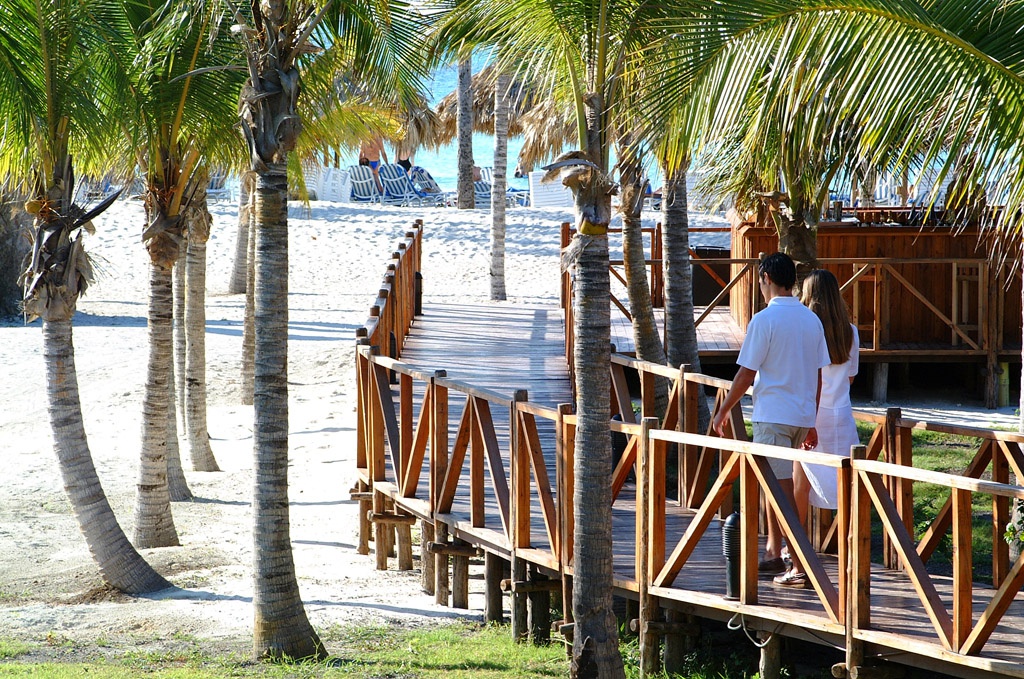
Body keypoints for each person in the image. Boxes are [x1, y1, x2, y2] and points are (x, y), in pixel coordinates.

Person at [712, 252, 829, 589]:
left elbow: (746, 373)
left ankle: (800, 563)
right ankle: (775, 552)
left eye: (760, 281)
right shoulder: (811, 320)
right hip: (801, 416)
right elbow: (818, 376)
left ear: (766, 278)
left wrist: (723, 410)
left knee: (780, 493)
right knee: (777, 488)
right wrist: (812, 419)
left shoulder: (764, 320)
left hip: (774, 416)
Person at [795, 269, 859, 516]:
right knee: (847, 484)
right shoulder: (850, 331)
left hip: (811, 413)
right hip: (841, 415)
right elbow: (851, 376)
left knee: (800, 483)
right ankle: (848, 537)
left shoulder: (806, 330)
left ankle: (795, 538)